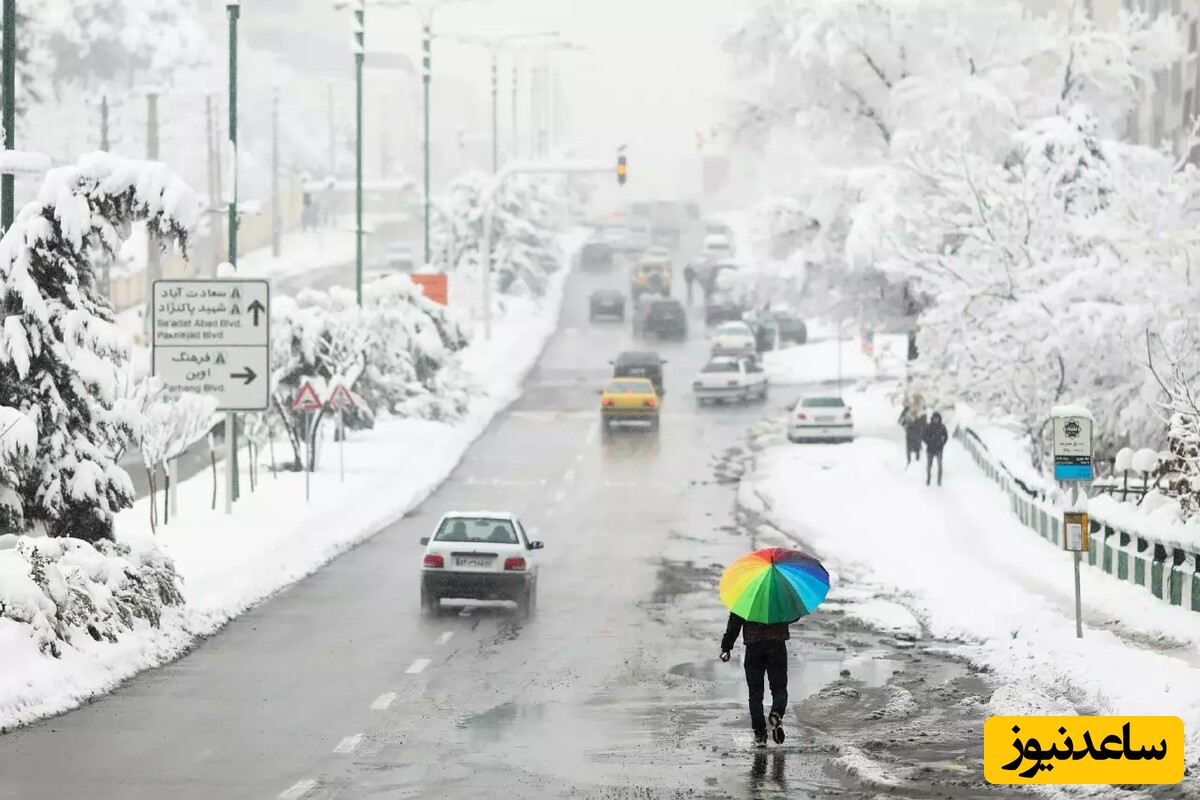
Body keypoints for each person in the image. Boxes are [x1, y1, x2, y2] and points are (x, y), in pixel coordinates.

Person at [720, 612, 790, 747]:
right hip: (777, 645)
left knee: (755, 693)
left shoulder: (747, 597)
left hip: (754, 647)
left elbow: (735, 622)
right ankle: (777, 714)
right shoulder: (780, 596)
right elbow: (792, 615)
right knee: (779, 688)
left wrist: (726, 647)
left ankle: (760, 734)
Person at [924, 410, 949, 486]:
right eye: (935, 418)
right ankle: (928, 479)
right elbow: (924, 436)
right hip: (930, 449)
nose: (936, 419)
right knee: (929, 466)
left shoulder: (942, 427)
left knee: (940, 466)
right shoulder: (929, 426)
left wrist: (942, 443)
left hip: (939, 449)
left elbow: (946, 436)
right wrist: (928, 442)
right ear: (932, 418)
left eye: (937, 418)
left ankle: (939, 481)